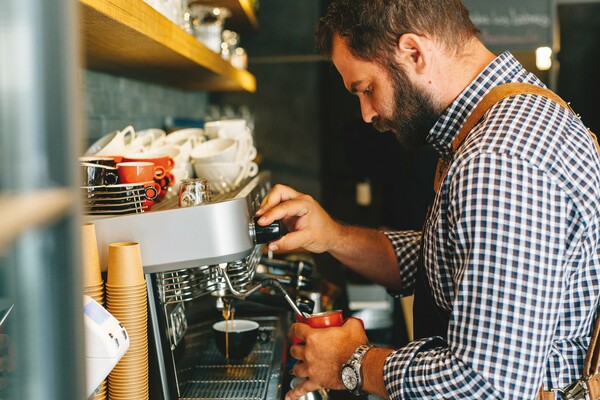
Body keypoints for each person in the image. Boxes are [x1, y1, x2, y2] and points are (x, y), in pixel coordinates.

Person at [254, 0, 600, 399]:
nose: (366, 113)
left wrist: (352, 362)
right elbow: (451, 260)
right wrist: (332, 235)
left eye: (367, 89)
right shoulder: (511, 119)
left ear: (414, 53)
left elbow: (488, 386)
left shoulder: (500, 158)